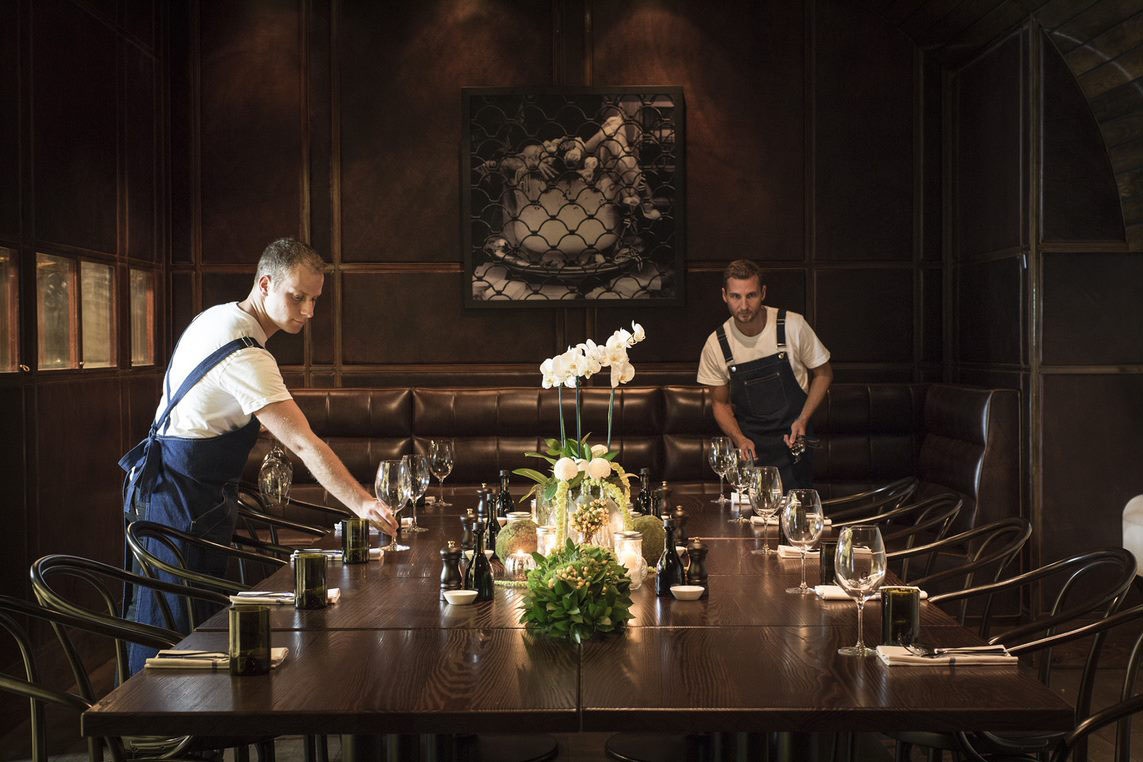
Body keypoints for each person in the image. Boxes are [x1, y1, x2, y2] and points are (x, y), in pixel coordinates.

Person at [119, 238, 397, 673]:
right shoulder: (247, 354)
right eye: (297, 297)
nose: (308, 311)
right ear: (265, 284)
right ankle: (157, 735)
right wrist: (364, 504)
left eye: (314, 300)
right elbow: (304, 443)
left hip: (168, 488)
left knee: (172, 626)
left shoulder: (219, 317)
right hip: (182, 499)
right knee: (174, 636)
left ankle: (162, 735)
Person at [697, 260, 833, 489]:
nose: (743, 306)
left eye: (751, 295)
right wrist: (739, 439)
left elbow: (824, 373)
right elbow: (719, 404)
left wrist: (803, 419)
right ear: (724, 296)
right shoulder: (717, 344)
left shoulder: (792, 325)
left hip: (794, 442)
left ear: (763, 293)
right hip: (751, 450)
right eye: (735, 297)